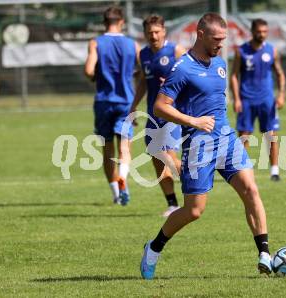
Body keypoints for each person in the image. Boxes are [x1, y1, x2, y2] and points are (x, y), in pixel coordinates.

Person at [140, 13, 272, 280]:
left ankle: (265, 255)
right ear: (200, 34)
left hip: (227, 139)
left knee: (251, 190)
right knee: (194, 211)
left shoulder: (221, 64)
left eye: (224, 39)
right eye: (217, 39)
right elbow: (160, 106)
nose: (221, 44)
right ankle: (154, 248)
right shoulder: (182, 68)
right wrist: (193, 121)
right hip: (198, 146)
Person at [130, 15, 186, 217]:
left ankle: (197, 184)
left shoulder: (176, 51)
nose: (153, 36)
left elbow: (191, 78)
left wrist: (172, 84)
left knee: (169, 157)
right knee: (156, 159)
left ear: (164, 31)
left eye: (156, 32)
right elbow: (144, 82)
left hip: (173, 113)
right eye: (149, 33)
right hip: (153, 116)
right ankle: (172, 205)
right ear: (144, 34)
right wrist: (133, 106)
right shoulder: (143, 54)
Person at [84, 6, 140, 205]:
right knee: (125, 148)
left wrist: (98, 76)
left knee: (107, 151)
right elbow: (142, 70)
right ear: (122, 22)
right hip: (126, 101)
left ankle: (116, 194)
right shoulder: (132, 45)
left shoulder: (96, 43)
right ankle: (123, 177)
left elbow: (89, 70)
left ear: (104, 22)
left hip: (104, 102)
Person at [230, 18, 286, 181]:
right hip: (246, 99)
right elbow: (234, 75)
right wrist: (236, 99)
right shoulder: (241, 51)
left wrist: (281, 94)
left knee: (271, 135)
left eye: (265, 32)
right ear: (252, 32)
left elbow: (280, 74)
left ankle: (274, 171)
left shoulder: (272, 51)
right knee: (244, 135)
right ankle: (242, 170)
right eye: (259, 31)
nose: (262, 35)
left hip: (267, 100)